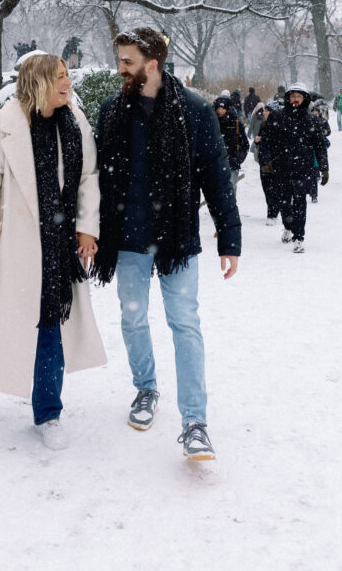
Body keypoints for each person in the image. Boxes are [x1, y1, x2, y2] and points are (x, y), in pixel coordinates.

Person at [94, 27, 241, 462]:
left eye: (127, 61)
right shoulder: (111, 111)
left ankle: (195, 422)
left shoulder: (194, 111)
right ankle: (146, 388)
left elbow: (216, 177)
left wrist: (228, 238)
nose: (120, 69)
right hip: (127, 238)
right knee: (133, 321)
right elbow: (96, 179)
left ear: (151, 64)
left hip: (177, 238)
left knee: (185, 326)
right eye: (120, 60)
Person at [0, 53, 106, 451]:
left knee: (50, 329)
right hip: (13, 248)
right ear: (39, 81)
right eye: (59, 77)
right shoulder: (3, 127)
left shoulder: (76, 122)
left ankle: (48, 412)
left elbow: (88, 178)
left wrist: (86, 228)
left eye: (67, 75)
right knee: (5, 328)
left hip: (58, 248)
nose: (68, 82)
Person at [258, 83, 328, 253]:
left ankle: (298, 237)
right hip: (281, 167)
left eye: (299, 96)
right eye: (293, 96)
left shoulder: (311, 119)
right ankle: (288, 226)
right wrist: (265, 162)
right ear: (288, 98)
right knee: (284, 202)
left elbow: (320, 145)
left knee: (300, 202)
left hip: (303, 168)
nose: (296, 100)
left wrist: (324, 168)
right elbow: (266, 141)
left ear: (304, 99)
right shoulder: (277, 117)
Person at [249, 100, 283, 225]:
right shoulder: (264, 124)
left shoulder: (280, 126)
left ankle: (272, 213)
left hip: (276, 162)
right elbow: (259, 141)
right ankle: (273, 210)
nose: (264, 112)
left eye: (267, 110)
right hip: (263, 162)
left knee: (274, 189)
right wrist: (257, 141)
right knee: (267, 189)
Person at [213, 95, 249, 199]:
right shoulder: (211, 124)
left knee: (231, 189)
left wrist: (238, 159)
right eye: (218, 108)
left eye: (223, 108)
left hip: (232, 163)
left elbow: (245, 144)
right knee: (216, 189)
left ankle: (230, 211)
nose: (220, 111)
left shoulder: (236, 124)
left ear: (228, 109)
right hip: (216, 163)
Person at [309, 97, 331, 203]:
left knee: (314, 171)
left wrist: (325, 132)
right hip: (306, 152)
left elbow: (328, 130)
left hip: (316, 148)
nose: (315, 113)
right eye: (313, 111)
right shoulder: (306, 121)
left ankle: (314, 195)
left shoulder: (321, 121)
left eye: (316, 112)